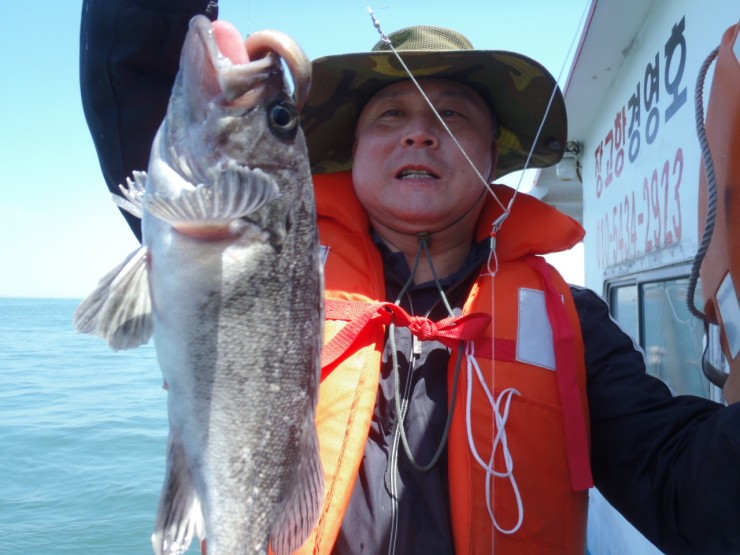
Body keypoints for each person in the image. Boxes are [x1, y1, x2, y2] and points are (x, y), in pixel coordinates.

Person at [80, 1, 740, 554]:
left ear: (491, 156)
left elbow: (679, 482)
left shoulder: (573, 321)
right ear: (353, 152)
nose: (419, 134)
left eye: (452, 116)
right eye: (390, 116)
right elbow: (137, 75)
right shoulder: (244, 238)